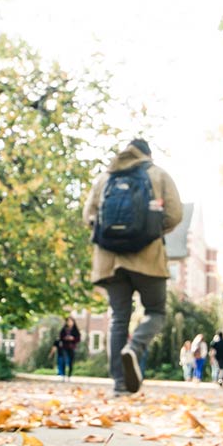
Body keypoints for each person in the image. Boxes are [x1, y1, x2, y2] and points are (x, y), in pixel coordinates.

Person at [84, 139, 183, 395]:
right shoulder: (157, 174)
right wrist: (150, 229)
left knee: (118, 318)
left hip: (110, 261)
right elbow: (175, 215)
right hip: (147, 256)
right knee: (156, 312)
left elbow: (88, 217)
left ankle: (119, 385)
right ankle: (135, 347)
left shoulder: (104, 178)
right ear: (148, 154)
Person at [56, 316, 81, 381]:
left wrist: (73, 338)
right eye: (68, 321)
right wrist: (65, 338)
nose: (69, 323)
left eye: (71, 321)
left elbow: (78, 339)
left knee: (71, 362)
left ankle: (69, 375)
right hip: (64, 347)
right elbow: (60, 337)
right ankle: (63, 375)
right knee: (64, 360)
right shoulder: (63, 329)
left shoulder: (75, 330)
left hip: (72, 347)